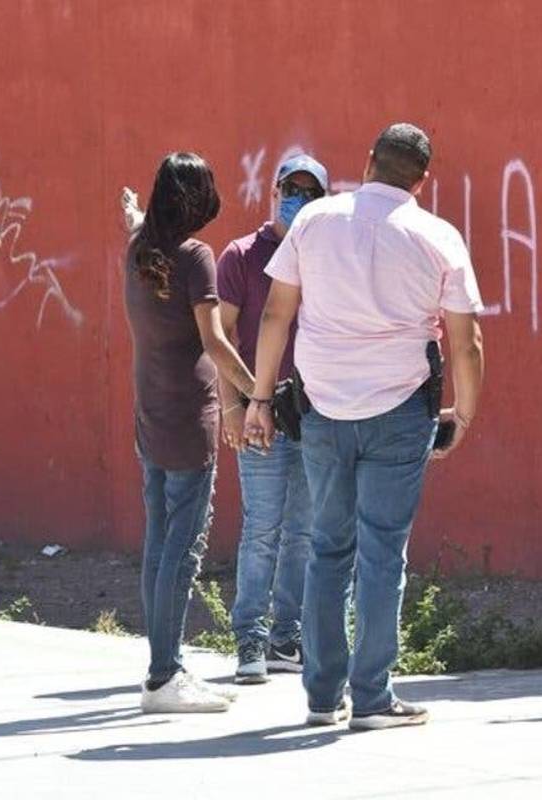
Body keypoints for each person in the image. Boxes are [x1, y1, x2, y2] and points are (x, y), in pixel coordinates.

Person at [243, 123, 485, 730]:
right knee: (382, 553)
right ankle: (373, 698)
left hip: (322, 407)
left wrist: (259, 399)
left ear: (369, 159)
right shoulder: (439, 237)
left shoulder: (315, 221)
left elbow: (277, 312)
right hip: (402, 412)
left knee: (328, 548)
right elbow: (467, 342)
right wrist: (466, 413)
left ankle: (322, 698)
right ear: (422, 179)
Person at [123, 152, 264, 713]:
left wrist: (134, 213)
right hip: (188, 419)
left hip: (151, 414)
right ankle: (165, 676)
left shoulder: (141, 250)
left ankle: (164, 668)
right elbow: (215, 341)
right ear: (198, 200)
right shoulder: (195, 256)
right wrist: (257, 394)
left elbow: (137, 228)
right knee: (181, 550)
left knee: (159, 543)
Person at [216, 155, 328, 684]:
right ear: (274, 190)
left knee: (303, 533)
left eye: (311, 193)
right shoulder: (241, 255)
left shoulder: (327, 255)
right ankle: (250, 640)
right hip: (261, 413)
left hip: (315, 413)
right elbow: (223, 340)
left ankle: (288, 636)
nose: (299, 200)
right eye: (292, 189)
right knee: (261, 529)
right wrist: (236, 406)